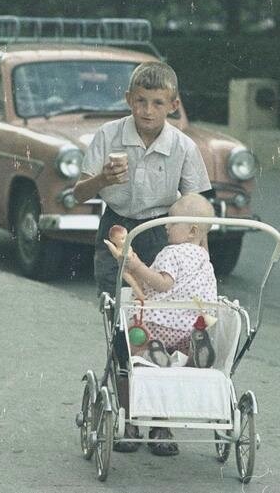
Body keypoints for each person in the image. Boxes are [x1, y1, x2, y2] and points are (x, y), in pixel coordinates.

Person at [73, 61, 212, 455]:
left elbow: (196, 216)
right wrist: (103, 179)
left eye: (157, 103)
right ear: (128, 100)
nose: (147, 111)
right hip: (116, 232)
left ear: (173, 105)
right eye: (140, 101)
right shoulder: (108, 135)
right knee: (125, 329)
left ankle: (161, 425)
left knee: (171, 331)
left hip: (163, 237)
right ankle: (129, 416)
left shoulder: (183, 147)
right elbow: (77, 194)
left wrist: (204, 266)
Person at [103, 193, 217, 457]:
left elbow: (162, 283)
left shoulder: (172, 253)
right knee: (170, 376)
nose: (165, 225)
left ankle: (130, 424)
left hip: (159, 325)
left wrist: (136, 265)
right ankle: (161, 430)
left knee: (131, 359)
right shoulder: (204, 258)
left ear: (190, 230)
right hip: (191, 327)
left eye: (172, 220)